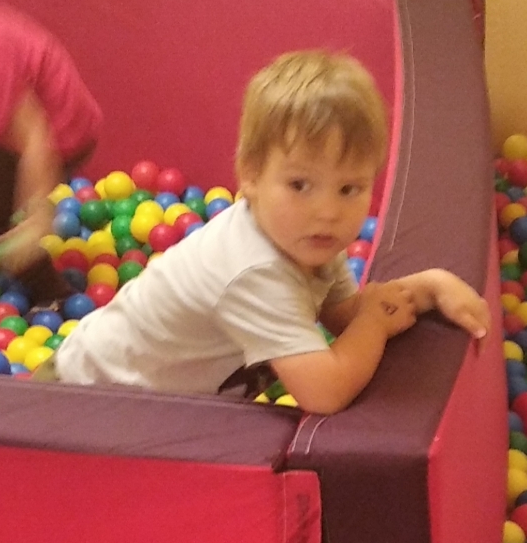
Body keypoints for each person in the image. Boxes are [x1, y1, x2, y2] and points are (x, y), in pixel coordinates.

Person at [51, 49, 489, 411]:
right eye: (300, 185)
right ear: (251, 176)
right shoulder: (255, 271)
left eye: (349, 189)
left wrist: (430, 287)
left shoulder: (304, 238)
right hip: (78, 404)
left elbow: (343, 316)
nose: (327, 211)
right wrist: (374, 323)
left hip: (122, 402)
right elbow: (326, 392)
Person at [0, 0, 102, 295]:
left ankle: (52, 296)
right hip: (8, 128)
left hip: (60, 134)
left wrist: (35, 216)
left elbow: (36, 138)